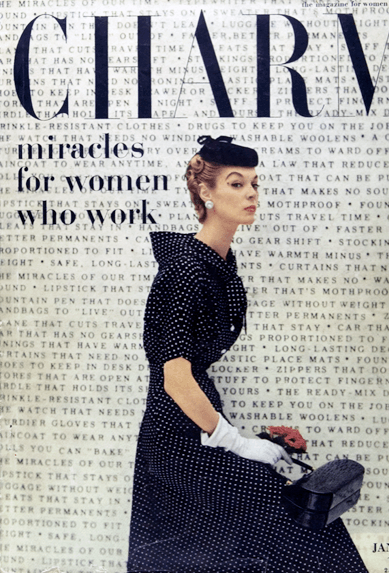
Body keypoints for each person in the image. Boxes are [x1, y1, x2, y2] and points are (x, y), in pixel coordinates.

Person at [127, 135, 368, 573]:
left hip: (202, 426)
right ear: (206, 192)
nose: (252, 194)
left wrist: (257, 439)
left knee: (305, 516)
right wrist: (234, 441)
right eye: (237, 184)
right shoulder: (183, 271)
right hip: (176, 445)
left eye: (255, 184)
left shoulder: (218, 266)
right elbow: (176, 378)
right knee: (296, 516)